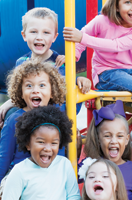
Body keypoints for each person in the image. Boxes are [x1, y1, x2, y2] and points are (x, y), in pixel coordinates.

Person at [63, 0, 132, 172]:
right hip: (106, 73)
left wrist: (82, 38)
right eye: (128, 2)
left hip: (130, 69)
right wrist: (73, 56)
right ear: (117, 5)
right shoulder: (102, 21)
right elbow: (80, 39)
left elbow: (117, 46)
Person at [0, 7, 91, 128]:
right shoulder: (22, 63)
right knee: (9, 114)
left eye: (46, 32)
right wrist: (8, 103)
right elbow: (19, 94)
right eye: (33, 32)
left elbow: (66, 86)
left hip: (51, 120)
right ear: (24, 35)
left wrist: (78, 79)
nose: (39, 37)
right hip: (29, 114)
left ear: (54, 37)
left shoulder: (59, 63)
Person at [0, 61, 66, 195]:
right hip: (18, 178)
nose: (35, 90)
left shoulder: (57, 119)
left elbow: (60, 155)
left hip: (48, 177)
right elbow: (4, 157)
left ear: (52, 91)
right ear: (21, 92)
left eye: (42, 85)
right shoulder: (14, 120)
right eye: (29, 85)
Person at [79, 100, 132, 200]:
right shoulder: (89, 165)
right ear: (98, 139)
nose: (114, 141)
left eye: (119, 136)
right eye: (107, 136)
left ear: (127, 139)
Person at [2, 105, 80, 200]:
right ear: (28, 144)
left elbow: (74, 196)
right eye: (41, 142)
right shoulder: (19, 171)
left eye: (54, 143)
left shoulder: (64, 165)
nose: (47, 149)